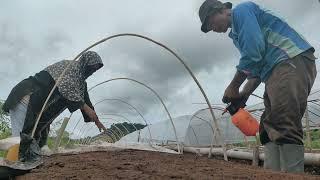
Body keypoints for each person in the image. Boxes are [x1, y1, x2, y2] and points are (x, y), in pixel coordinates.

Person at [198, 0, 317, 173]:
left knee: (284, 121)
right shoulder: (237, 35)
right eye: (208, 28)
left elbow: (253, 52)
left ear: (221, 10)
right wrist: (242, 96)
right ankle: (272, 173)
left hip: (290, 59)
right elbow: (256, 68)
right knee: (267, 127)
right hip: (274, 69)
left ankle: (292, 175)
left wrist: (233, 86)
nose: (212, 29)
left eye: (210, 23)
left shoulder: (242, 11)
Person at [2, 51, 107, 161]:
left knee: (35, 138)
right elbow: (67, 88)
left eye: (94, 70)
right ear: (85, 63)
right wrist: (84, 107)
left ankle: (23, 163)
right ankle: (13, 165)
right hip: (26, 97)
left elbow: (86, 101)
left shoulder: (80, 83)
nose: (92, 72)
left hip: (37, 107)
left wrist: (97, 121)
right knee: (21, 138)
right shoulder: (69, 68)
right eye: (91, 68)